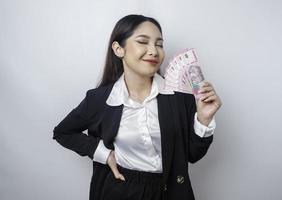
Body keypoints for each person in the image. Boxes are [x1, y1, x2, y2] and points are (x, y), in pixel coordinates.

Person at [53, 14, 222, 200]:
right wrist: (104, 154)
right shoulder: (100, 99)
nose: (154, 51)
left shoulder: (180, 97)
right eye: (143, 41)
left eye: (159, 44)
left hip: (170, 192)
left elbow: (193, 154)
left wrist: (204, 120)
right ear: (118, 49)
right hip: (119, 190)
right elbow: (63, 132)